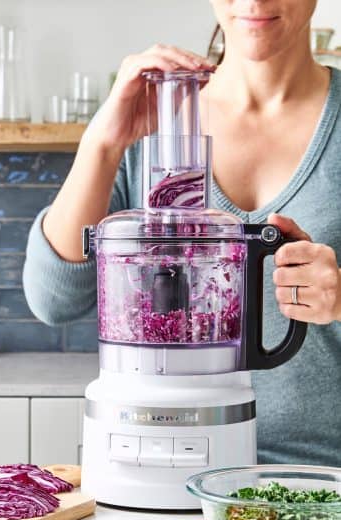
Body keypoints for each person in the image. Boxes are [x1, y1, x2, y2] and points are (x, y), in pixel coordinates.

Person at [23, 0, 341, 466]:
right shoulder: (150, 119)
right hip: (161, 465)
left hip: (319, 478)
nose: (254, 2)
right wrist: (104, 142)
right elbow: (54, 301)